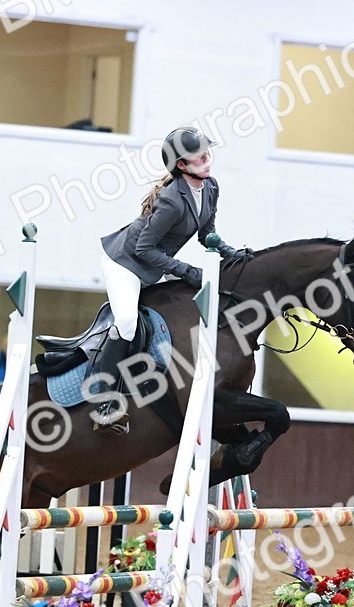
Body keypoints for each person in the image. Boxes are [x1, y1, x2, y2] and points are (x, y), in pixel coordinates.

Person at [94, 126, 251, 434]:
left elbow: (207, 236)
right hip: (125, 263)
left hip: (153, 264)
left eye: (208, 154)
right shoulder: (171, 200)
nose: (207, 160)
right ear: (181, 165)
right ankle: (105, 403)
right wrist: (188, 272)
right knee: (126, 321)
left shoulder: (211, 188)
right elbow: (143, 248)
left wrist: (232, 254)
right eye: (199, 157)